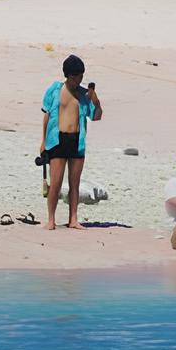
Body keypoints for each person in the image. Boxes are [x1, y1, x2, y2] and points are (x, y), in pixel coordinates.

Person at [38, 54, 105, 230]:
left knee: (74, 183)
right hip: (57, 140)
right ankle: (51, 220)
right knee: (56, 182)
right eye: (75, 77)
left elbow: (96, 117)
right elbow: (46, 116)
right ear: (67, 75)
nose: (79, 80)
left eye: (81, 76)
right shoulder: (54, 90)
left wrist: (96, 102)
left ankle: (73, 219)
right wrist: (43, 141)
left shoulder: (85, 95)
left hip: (77, 141)